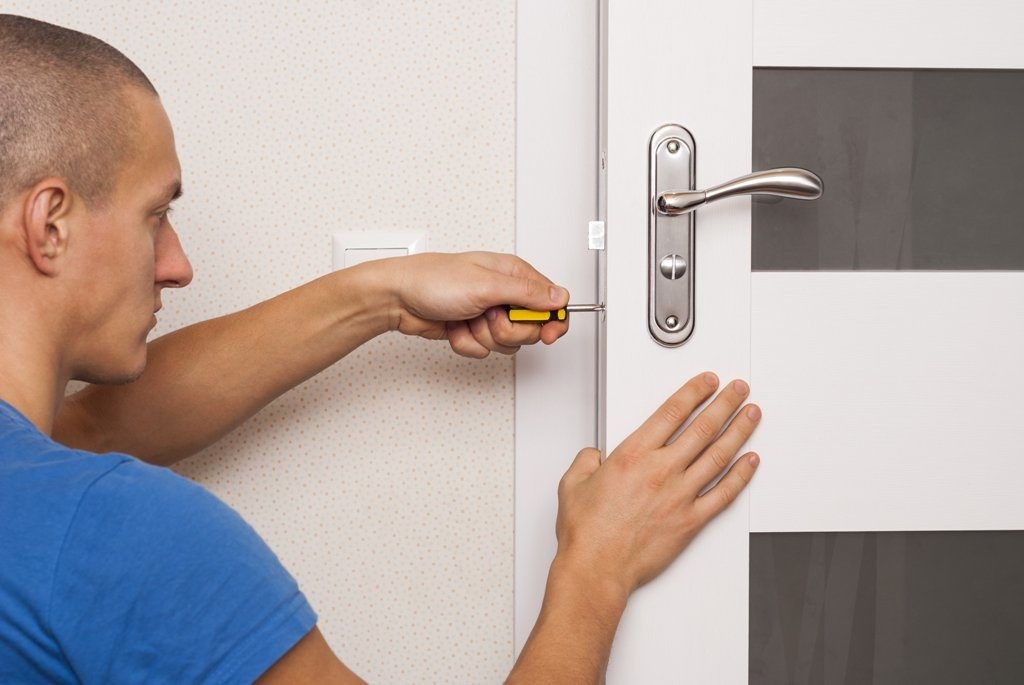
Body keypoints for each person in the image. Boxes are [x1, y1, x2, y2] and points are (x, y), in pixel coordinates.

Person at [0, 13, 762, 684]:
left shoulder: (37, 492)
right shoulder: (120, 537)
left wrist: (384, 295)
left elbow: (89, 428)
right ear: (50, 224)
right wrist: (599, 566)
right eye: (154, 215)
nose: (178, 264)